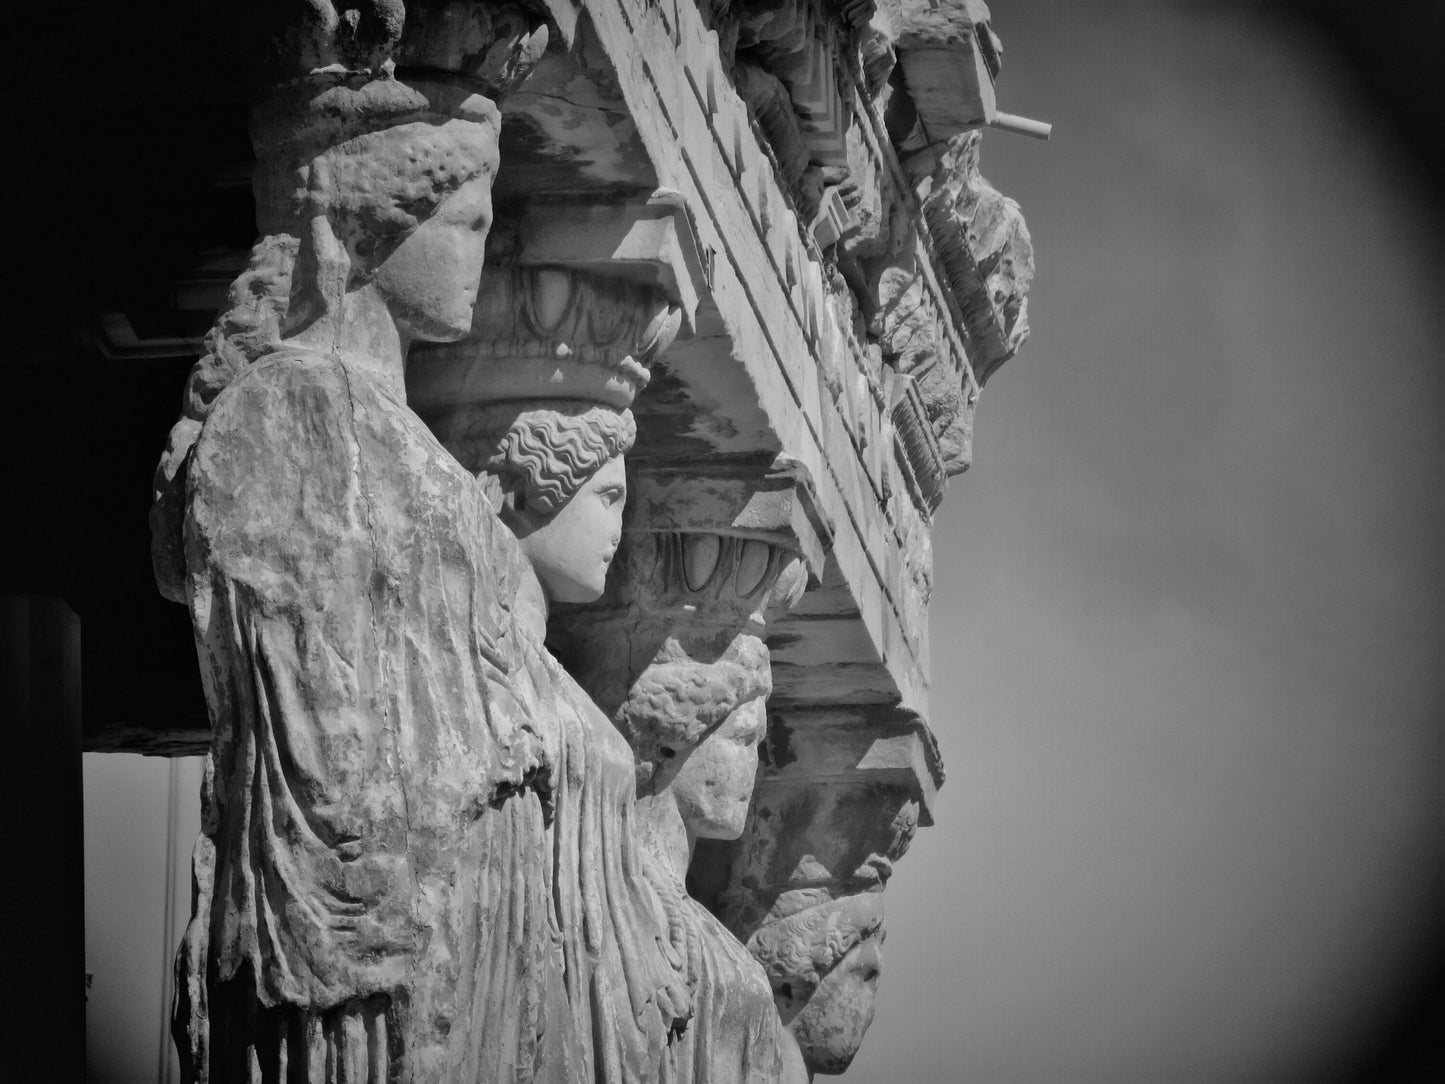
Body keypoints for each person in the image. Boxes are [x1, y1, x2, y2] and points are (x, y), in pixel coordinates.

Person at [152, 54, 685, 1082]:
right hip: (375, 916)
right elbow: (313, 712)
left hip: (482, 902)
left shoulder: (411, 445)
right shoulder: (296, 403)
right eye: (470, 222)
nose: (480, 259)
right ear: (374, 222)